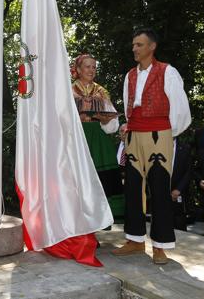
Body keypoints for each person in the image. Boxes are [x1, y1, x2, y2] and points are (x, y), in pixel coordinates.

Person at [112, 27, 191, 265]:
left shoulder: (168, 72)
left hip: (159, 134)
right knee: (133, 188)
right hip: (135, 135)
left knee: (159, 188)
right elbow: (129, 107)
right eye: (133, 44)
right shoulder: (129, 75)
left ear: (152, 46)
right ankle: (135, 240)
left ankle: (160, 245)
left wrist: (167, 132)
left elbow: (180, 110)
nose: (134, 48)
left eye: (139, 44)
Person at [71, 54, 122, 208]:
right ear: (78, 70)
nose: (91, 70)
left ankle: (104, 215)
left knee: (103, 177)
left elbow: (113, 122)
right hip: (77, 137)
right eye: (87, 66)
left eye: (94, 67)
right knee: (78, 175)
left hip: (99, 139)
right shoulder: (68, 91)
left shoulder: (101, 91)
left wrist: (106, 121)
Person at [171, 138, 192, 231]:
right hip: (161, 191)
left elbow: (188, 171)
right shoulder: (156, 146)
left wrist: (179, 189)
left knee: (179, 222)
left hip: (179, 192)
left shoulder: (185, 148)